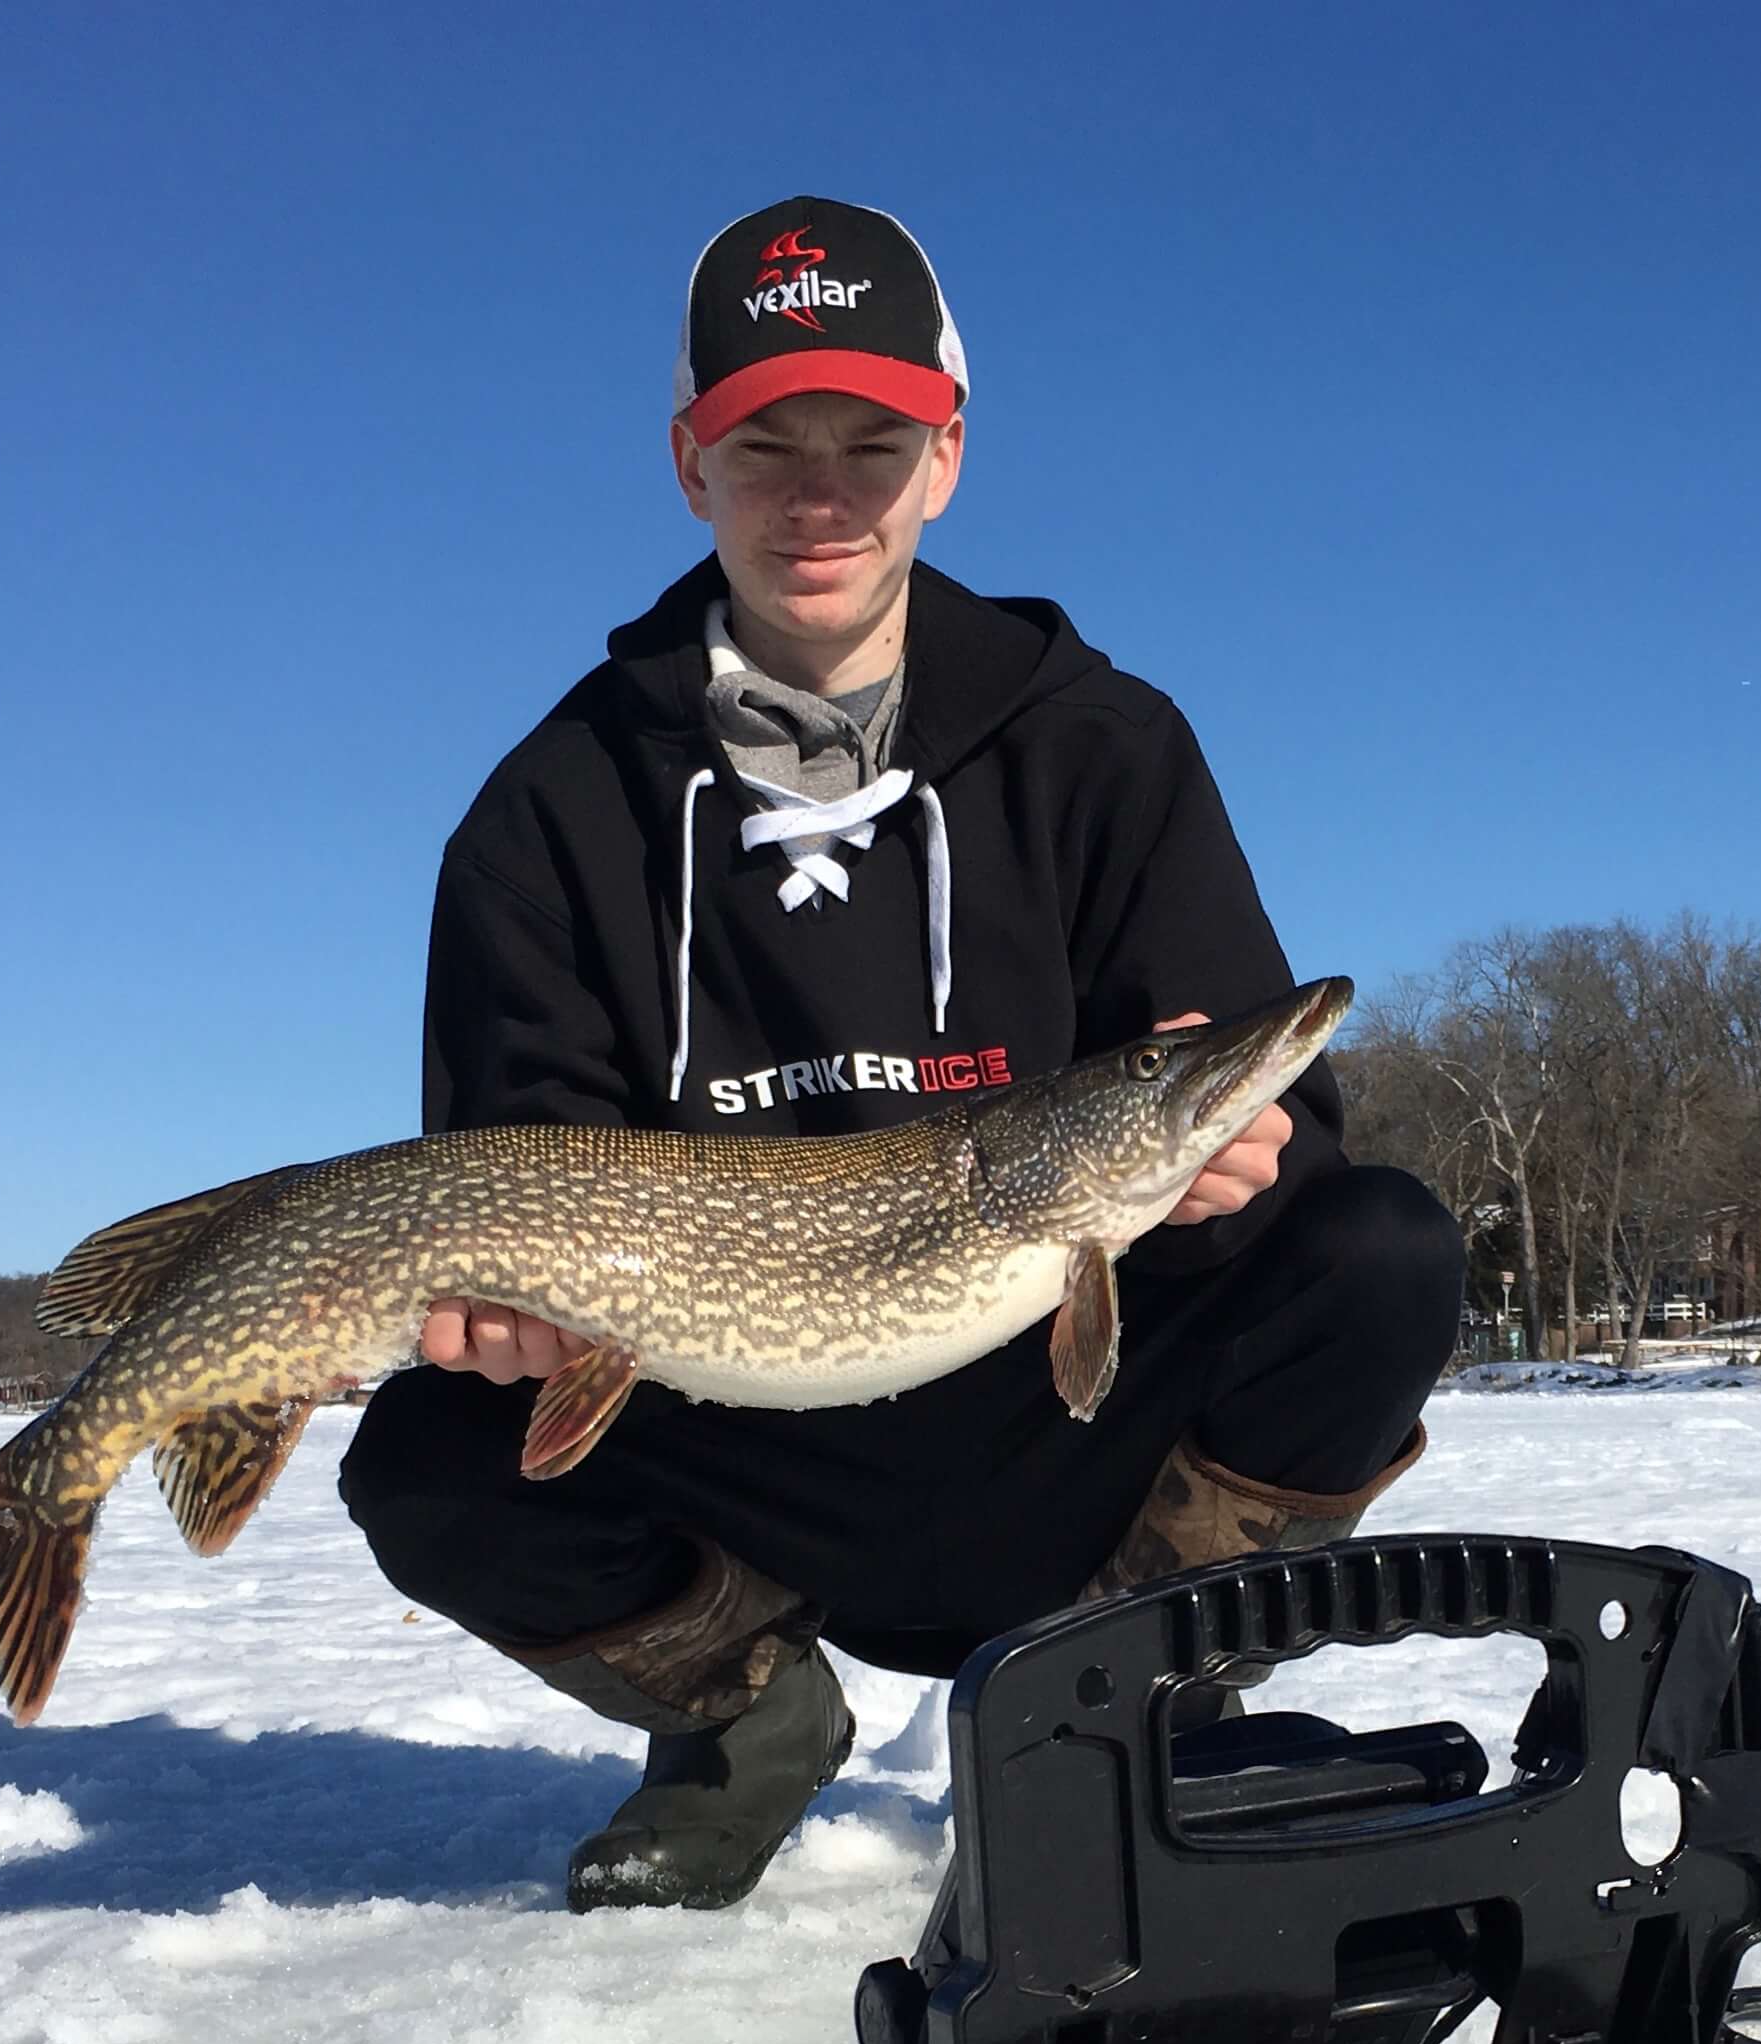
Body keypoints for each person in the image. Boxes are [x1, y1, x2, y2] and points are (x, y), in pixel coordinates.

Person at [340, 197, 1463, 1913]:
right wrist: (515, 1319)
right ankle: (745, 1728)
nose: (817, 493)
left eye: (870, 440)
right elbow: (525, 1155)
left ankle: (1110, 1703)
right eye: (762, 440)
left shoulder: (1104, 746)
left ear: (943, 457)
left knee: (1377, 1247)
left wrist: (1252, 1151)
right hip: (748, 1434)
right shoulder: (546, 814)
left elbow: (1264, 1099)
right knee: (427, 1461)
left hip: (1054, 1409)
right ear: (685, 461)